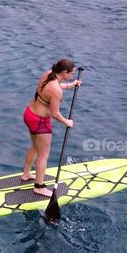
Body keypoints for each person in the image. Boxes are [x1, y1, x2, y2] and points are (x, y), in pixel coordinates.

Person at [21, 59, 82, 196]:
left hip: (29, 114)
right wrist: (67, 122)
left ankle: (26, 174)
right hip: (40, 122)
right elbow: (55, 113)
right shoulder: (56, 91)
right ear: (64, 72)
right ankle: (39, 186)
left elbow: (53, 88)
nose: (72, 76)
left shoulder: (49, 74)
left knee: (36, 147)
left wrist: (70, 85)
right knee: (44, 154)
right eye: (71, 74)